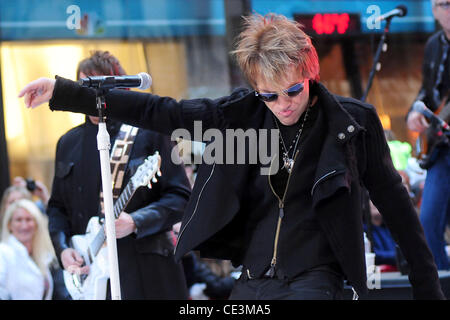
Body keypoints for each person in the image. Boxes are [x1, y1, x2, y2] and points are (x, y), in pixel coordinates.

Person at [19, 14, 444, 300]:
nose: (282, 103)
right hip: (255, 279)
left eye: (293, 90)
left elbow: (399, 211)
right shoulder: (241, 115)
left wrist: (429, 292)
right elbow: (161, 111)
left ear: (310, 72)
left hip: (319, 277)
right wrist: (66, 93)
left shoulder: (353, 123)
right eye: (269, 94)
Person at [32, 51, 191, 299]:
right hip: (92, 273)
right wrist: (63, 248)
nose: (92, 96)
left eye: (100, 86)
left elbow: (181, 197)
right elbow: (57, 208)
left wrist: (137, 221)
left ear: (120, 88)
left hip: (147, 273)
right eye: (85, 87)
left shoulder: (150, 132)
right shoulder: (68, 143)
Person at [406, 0, 450, 270]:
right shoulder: (434, 45)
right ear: (433, 11)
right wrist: (415, 111)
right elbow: (427, 92)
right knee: (428, 223)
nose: (448, 9)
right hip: (441, 149)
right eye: (443, 4)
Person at [0, 199, 68, 299]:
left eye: (29, 219)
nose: (24, 225)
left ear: (36, 224)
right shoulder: (3, 252)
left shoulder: (44, 256)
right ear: (9, 225)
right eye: (18, 220)